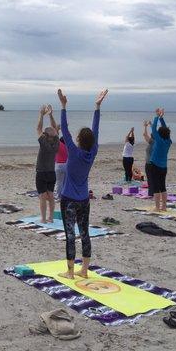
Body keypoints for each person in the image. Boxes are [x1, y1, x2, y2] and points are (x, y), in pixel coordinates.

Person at [57, 88, 108, 280]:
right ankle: (84, 270)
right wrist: (97, 106)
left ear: (78, 140)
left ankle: (70, 272)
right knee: (84, 233)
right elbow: (96, 129)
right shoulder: (92, 152)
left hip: (69, 199)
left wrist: (63, 106)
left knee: (70, 234)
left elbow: (64, 129)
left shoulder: (73, 150)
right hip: (84, 199)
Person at [36, 104, 60, 223]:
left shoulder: (44, 143)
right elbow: (55, 129)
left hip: (41, 172)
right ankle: (50, 218)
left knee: (42, 196)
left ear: (46, 136)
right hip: (51, 172)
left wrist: (41, 115)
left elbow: (38, 129)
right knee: (50, 195)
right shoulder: (56, 142)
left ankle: (44, 219)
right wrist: (51, 115)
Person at [149, 108, 172, 212]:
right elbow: (164, 129)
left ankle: (157, 207)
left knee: (156, 186)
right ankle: (164, 207)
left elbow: (153, 129)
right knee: (162, 186)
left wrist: (156, 117)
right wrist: (161, 118)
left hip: (155, 166)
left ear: (160, 134)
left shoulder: (159, 141)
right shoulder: (168, 141)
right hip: (164, 167)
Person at [54, 125, 68, 200]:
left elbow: (55, 137)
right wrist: (65, 129)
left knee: (59, 182)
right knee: (65, 182)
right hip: (67, 165)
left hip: (59, 165)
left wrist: (57, 129)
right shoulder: (68, 147)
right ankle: (65, 195)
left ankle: (59, 196)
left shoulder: (60, 145)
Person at [142, 120, 154, 197]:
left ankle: (151, 193)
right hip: (152, 163)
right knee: (151, 179)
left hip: (150, 163)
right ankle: (153, 192)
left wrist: (147, 126)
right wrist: (148, 126)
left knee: (150, 179)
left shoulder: (153, 142)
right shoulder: (153, 142)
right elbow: (145, 135)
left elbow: (145, 135)